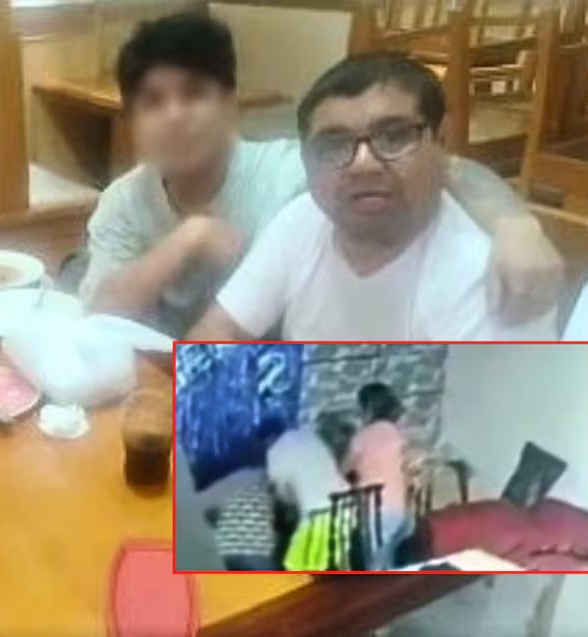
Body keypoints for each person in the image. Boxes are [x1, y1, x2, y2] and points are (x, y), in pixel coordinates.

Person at [79, 13, 562, 338]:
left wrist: (515, 224)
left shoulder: (298, 174)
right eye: (152, 102)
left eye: (193, 94)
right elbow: (103, 317)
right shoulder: (124, 200)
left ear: (231, 104)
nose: (174, 116)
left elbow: (446, 168)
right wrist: (188, 240)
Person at [189, 53, 559, 341]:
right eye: (334, 144)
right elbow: (218, 334)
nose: (363, 164)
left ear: (442, 142)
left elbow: (498, 417)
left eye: (395, 136)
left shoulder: (490, 273)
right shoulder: (302, 218)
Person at [345, 383, 412, 570]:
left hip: (376, 509)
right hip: (399, 507)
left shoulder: (363, 436)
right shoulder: (396, 433)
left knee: (373, 565)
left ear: (367, 407)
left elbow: (344, 469)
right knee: (387, 561)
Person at [266, 427, 348, 570]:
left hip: (318, 519)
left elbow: (283, 497)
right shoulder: (311, 437)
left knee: (290, 566)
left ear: (267, 439)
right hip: (346, 509)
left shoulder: (275, 452)